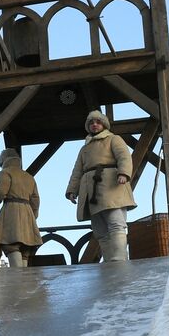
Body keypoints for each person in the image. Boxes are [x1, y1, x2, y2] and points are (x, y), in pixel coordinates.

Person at [65, 110, 136, 262]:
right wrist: (72, 190)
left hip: (111, 184)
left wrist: (123, 173)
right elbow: (77, 171)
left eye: (97, 122)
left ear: (104, 124)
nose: (94, 125)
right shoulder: (84, 149)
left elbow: (124, 156)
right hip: (91, 190)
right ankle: (110, 260)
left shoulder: (114, 139)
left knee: (116, 222)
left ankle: (120, 258)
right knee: (100, 230)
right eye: (91, 123)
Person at [0, 150, 42, 266]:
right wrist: (33, 216)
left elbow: (0, 192)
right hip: (27, 213)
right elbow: (35, 200)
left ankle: (17, 277)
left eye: (0, 158)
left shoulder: (5, 173)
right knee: (25, 248)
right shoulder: (29, 177)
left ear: (5, 159)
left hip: (11, 211)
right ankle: (23, 279)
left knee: (10, 243)